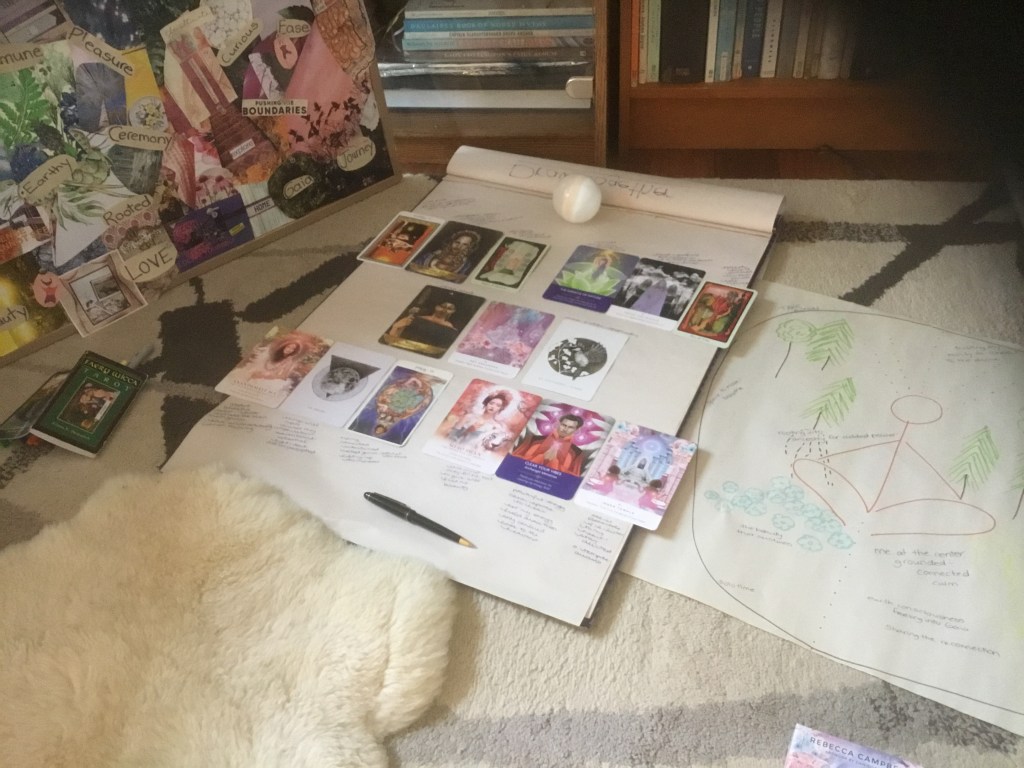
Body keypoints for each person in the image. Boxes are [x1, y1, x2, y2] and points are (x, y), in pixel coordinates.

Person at [511, 413, 586, 474]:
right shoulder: (534, 439)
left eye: (570, 427)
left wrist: (555, 462)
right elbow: (514, 460)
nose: (565, 429)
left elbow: (571, 478)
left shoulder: (577, 452)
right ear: (558, 424)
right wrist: (540, 457)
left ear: (576, 430)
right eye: (564, 425)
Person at [447, 390, 514, 451]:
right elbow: (450, 437)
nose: (493, 407)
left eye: (498, 405)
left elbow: (490, 447)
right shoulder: (469, 417)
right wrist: (467, 431)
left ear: (501, 408)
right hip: (457, 449)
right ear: (486, 403)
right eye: (491, 403)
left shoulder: (497, 427)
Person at [386, 299, 460, 350]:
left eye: (449, 309)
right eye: (443, 307)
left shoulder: (451, 331)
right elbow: (393, 338)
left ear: (453, 311)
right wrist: (395, 327)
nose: (444, 310)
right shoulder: (415, 319)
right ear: (436, 306)